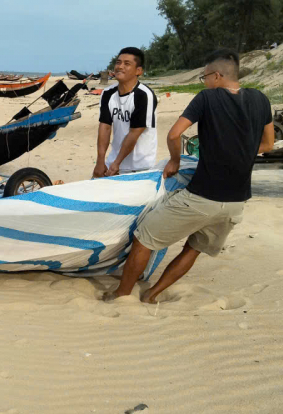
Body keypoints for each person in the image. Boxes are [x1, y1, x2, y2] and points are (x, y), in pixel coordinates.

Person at [103, 48, 274, 303]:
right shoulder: (261, 99)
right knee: (194, 248)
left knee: (144, 237)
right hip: (237, 202)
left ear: (216, 76)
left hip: (202, 196)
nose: (203, 82)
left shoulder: (207, 98)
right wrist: (239, 154)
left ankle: (122, 293)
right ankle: (152, 294)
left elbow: (174, 134)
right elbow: (268, 144)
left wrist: (175, 160)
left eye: (204, 77)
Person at [93, 47, 158, 178]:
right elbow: (105, 127)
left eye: (127, 64)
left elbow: (134, 133)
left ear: (138, 71)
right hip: (113, 161)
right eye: (118, 62)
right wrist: (100, 161)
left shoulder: (144, 95)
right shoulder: (107, 93)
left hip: (139, 166)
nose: (120, 66)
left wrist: (117, 163)